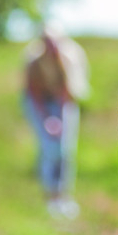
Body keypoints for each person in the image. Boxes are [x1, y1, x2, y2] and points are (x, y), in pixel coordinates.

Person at [22, 22, 89, 218]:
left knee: (65, 149)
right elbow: (34, 92)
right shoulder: (34, 61)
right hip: (40, 103)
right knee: (49, 149)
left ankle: (64, 196)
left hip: (62, 102)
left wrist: (59, 119)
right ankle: (50, 196)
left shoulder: (68, 59)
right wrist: (47, 119)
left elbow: (65, 93)